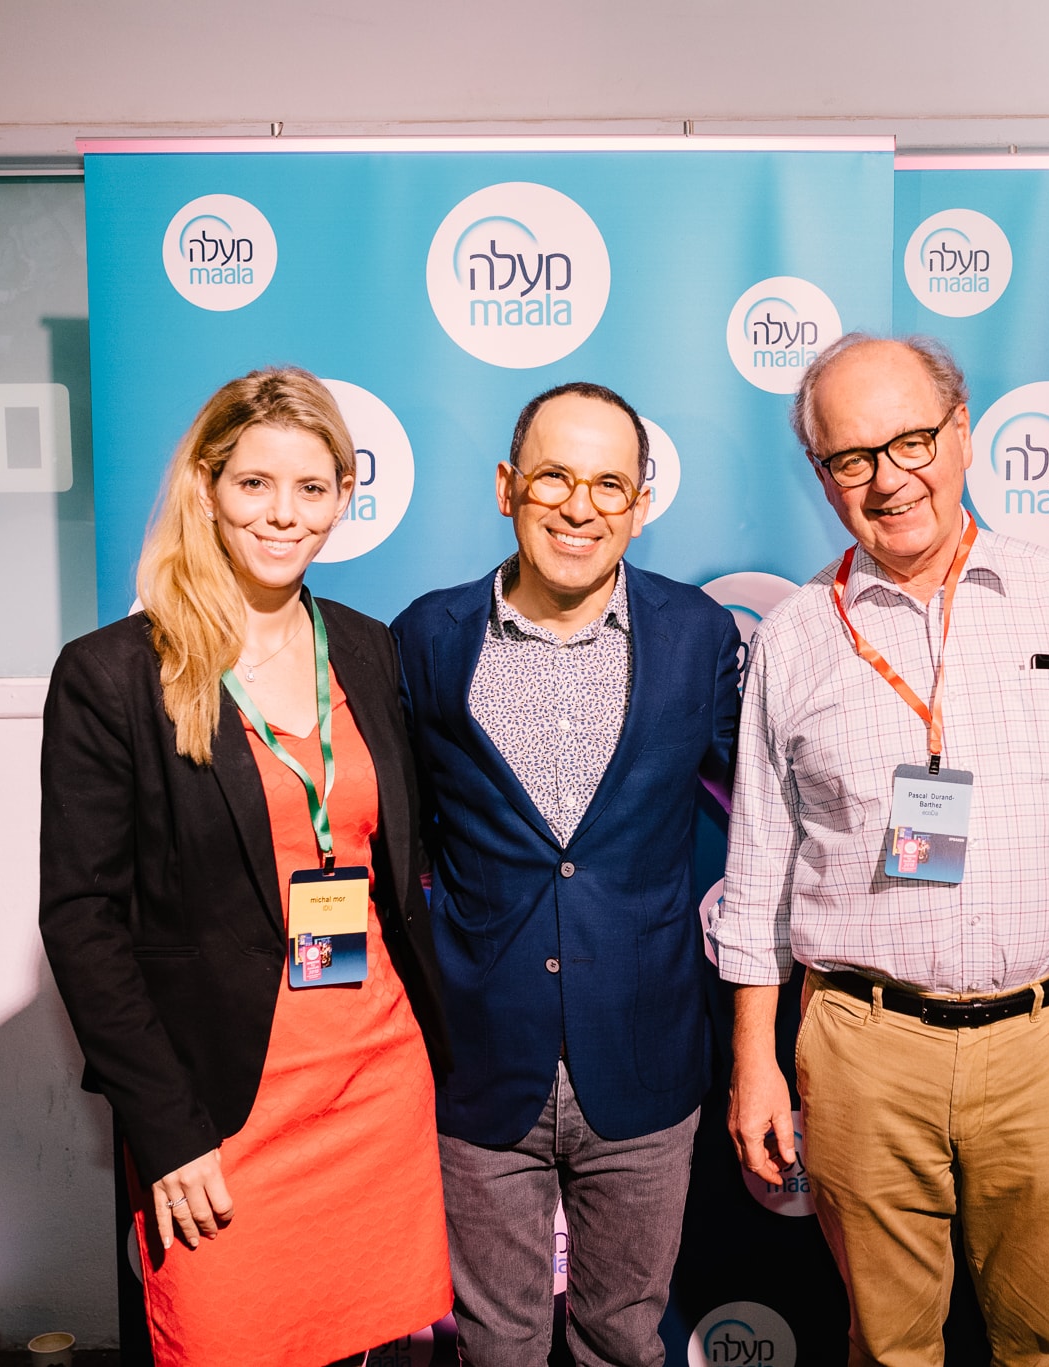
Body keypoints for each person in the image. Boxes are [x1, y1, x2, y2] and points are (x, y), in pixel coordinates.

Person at [718, 335, 1049, 1367]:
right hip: (863, 1048)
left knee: (1043, 1344)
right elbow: (758, 869)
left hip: (1048, 1036)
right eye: (851, 457)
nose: (888, 479)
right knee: (888, 1349)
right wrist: (753, 1060)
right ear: (823, 475)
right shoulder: (792, 638)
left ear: (961, 433)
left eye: (911, 440)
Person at [39, 367, 453, 1367]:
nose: (283, 514)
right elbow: (82, 920)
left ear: (343, 497)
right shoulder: (114, 674)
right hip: (221, 1110)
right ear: (207, 488)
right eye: (255, 483)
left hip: (376, 1083)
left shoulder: (368, 649)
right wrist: (165, 1127)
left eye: (311, 487)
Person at [392, 382, 740, 1367]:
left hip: (646, 1056)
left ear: (640, 503)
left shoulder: (699, 635)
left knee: (622, 1338)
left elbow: (769, 807)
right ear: (508, 485)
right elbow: (394, 835)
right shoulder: (425, 636)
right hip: (478, 1063)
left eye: (607, 484)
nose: (578, 507)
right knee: (495, 1345)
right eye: (553, 477)